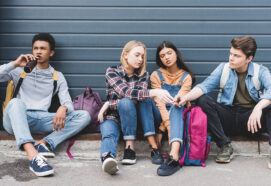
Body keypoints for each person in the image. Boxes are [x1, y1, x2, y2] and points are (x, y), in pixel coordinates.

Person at [0, 33, 91, 176]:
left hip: (42, 119)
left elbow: (67, 102)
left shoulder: (57, 76)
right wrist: (15, 64)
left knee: (84, 115)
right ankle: (33, 156)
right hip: (16, 119)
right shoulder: (19, 71)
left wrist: (64, 107)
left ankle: (44, 143)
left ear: (51, 53)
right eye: (35, 48)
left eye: (42, 48)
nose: (38, 51)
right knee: (16, 102)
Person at [177, 36, 271, 166]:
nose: (231, 58)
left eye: (237, 56)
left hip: (250, 121)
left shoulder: (260, 71)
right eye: (231, 53)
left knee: (269, 107)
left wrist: (258, 108)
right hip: (228, 118)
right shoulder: (223, 68)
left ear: (249, 58)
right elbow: (204, 86)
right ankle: (225, 146)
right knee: (202, 100)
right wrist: (185, 97)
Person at [98, 40, 174, 175]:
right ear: (126, 55)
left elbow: (136, 100)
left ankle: (130, 148)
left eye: (142, 56)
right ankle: (108, 158)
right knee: (108, 132)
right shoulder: (112, 71)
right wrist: (154, 92)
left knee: (132, 101)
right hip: (114, 117)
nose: (140, 59)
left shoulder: (143, 75)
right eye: (137, 55)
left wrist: (110, 103)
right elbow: (126, 92)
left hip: (136, 118)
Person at [150, 41, 194, 176]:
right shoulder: (156, 75)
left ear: (176, 54)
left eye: (169, 53)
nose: (167, 57)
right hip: (160, 112)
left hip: (178, 112)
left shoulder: (187, 77)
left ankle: (174, 156)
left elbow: (181, 99)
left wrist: (161, 129)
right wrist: (168, 125)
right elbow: (159, 103)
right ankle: (173, 154)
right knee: (148, 102)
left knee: (178, 104)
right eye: (162, 56)